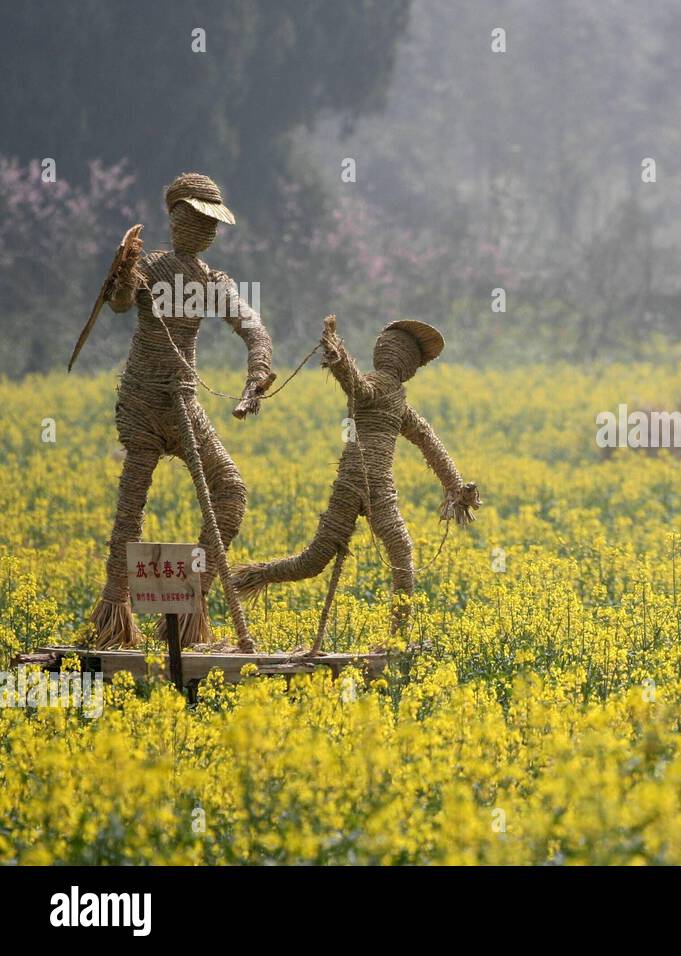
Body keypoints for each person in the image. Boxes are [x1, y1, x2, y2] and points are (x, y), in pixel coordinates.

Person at [90, 173, 274, 649]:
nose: (206, 231)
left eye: (212, 224)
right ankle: (115, 611)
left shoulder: (214, 280)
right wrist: (125, 269)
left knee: (231, 493)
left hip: (184, 403)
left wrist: (257, 373)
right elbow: (121, 303)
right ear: (174, 218)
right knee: (130, 511)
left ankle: (189, 601)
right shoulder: (150, 268)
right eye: (196, 219)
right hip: (144, 401)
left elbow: (250, 324)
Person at [231, 314, 480, 638]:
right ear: (408, 363)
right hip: (354, 485)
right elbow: (356, 385)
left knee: (327, 559)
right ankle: (249, 577)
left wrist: (457, 488)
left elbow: (428, 441)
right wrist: (337, 355)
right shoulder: (374, 389)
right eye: (414, 360)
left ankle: (397, 638)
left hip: (379, 490)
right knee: (328, 558)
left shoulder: (398, 403)